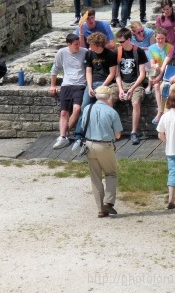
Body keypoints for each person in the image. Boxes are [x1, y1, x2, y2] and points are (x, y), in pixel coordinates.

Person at [79, 85, 123, 218]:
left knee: (95, 178)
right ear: (109, 97)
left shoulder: (87, 108)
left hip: (89, 144)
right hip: (105, 145)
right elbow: (118, 135)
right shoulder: (111, 112)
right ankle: (108, 202)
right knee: (111, 174)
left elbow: (82, 126)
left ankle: (100, 209)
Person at [74, 32, 118, 140]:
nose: (89, 46)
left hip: (105, 83)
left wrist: (102, 87)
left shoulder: (110, 54)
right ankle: (79, 134)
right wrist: (89, 87)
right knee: (84, 107)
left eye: (91, 44)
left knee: (105, 109)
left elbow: (112, 73)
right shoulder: (89, 54)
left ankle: (106, 132)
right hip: (92, 83)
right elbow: (88, 72)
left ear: (97, 44)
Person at [49, 34, 87, 149]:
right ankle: (63, 136)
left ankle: (64, 134)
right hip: (66, 85)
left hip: (80, 84)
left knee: (77, 109)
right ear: (69, 44)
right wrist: (52, 85)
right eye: (75, 44)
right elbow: (55, 69)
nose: (78, 46)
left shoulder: (84, 52)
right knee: (64, 112)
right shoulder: (62, 52)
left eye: (79, 43)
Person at [115, 28, 148, 146]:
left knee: (135, 103)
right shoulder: (117, 52)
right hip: (122, 82)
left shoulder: (138, 51)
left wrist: (131, 89)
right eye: (119, 42)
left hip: (136, 83)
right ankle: (114, 130)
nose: (120, 44)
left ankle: (134, 132)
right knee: (107, 99)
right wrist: (120, 89)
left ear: (129, 39)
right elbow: (117, 74)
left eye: (122, 42)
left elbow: (142, 74)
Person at [147, 27, 174, 123]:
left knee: (165, 86)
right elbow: (152, 63)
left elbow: (166, 63)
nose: (160, 40)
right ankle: (160, 111)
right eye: (158, 38)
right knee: (157, 86)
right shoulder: (151, 48)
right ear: (155, 37)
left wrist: (159, 76)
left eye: (162, 38)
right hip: (157, 71)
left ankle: (165, 111)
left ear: (165, 37)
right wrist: (155, 65)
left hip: (168, 71)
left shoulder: (170, 47)